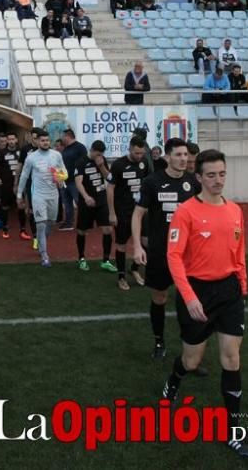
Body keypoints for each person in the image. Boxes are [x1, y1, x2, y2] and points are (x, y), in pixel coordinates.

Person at [161, 149, 248, 459]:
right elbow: (173, 256)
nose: (218, 180)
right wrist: (188, 297)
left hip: (229, 293)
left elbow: (238, 251)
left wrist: (242, 285)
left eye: (222, 174)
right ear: (198, 177)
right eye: (211, 175)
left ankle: (233, 432)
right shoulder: (186, 212)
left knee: (231, 359)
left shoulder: (235, 210)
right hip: (197, 291)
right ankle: (173, 381)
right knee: (191, 361)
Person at [132, 138, 207, 364]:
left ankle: (191, 353)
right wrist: (137, 246)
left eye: (186, 155)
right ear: (167, 157)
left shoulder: (193, 183)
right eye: (179, 155)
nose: (184, 159)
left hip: (189, 253)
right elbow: (137, 215)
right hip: (160, 251)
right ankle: (159, 341)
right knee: (160, 297)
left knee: (191, 300)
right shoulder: (152, 182)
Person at [17, 128, 66, 267]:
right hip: (38, 196)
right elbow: (24, 176)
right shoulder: (31, 157)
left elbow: (64, 171)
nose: (45, 143)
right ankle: (44, 255)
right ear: (37, 141)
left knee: (50, 223)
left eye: (47, 140)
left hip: (53, 195)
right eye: (42, 140)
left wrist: (61, 179)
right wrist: (19, 194)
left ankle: (41, 241)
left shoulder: (56, 155)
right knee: (41, 224)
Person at [106, 136, 150, 291]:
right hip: (123, 211)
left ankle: (135, 268)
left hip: (141, 210)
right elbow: (110, 188)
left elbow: (147, 183)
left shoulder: (144, 163)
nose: (139, 156)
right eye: (137, 153)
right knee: (121, 245)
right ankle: (121, 277)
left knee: (147, 242)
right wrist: (112, 213)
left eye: (141, 153)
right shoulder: (118, 165)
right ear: (130, 149)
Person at [74, 140, 115, 272]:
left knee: (108, 229)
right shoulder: (81, 162)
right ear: (91, 150)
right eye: (97, 154)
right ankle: (81, 258)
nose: (99, 156)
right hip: (87, 201)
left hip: (101, 200)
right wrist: (86, 197)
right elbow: (78, 182)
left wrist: (102, 165)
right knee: (82, 231)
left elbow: (109, 178)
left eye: (101, 154)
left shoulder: (102, 161)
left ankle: (106, 260)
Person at [0, 131, 22, 239]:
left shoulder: (21, 152)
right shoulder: (2, 152)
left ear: (16, 140)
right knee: (4, 206)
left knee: (20, 205)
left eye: (13, 139)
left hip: (19, 184)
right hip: (6, 184)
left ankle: (22, 229)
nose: (11, 141)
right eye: (9, 139)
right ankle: (5, 227)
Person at [59, 129, 87, 231]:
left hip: (75, 181)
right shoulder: (66, 149)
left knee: (80, 202)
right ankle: (68, 223)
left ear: (68, 136)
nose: (61, 139)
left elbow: (84, 163)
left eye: (63, 136)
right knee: (67, 203)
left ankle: (85, 222)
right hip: (64, 180)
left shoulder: (80, 147)